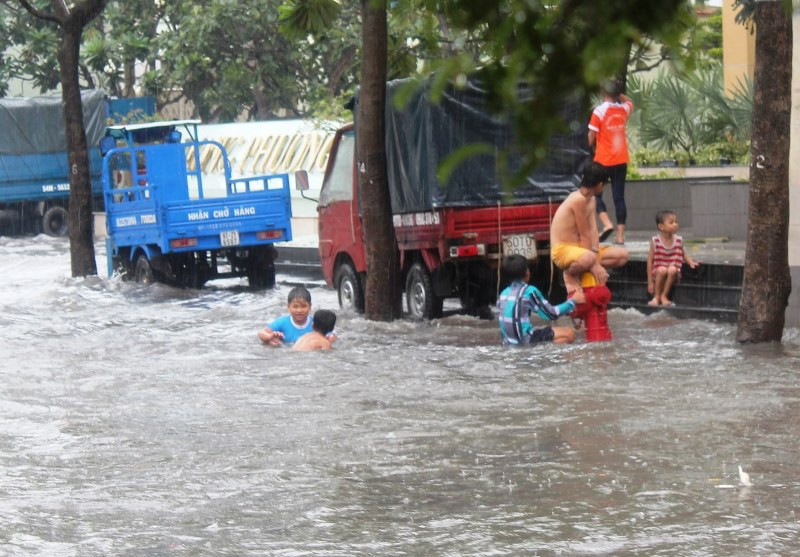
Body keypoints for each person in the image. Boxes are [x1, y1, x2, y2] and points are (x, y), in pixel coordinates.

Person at [550, 162, 629, 294]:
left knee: (622, 256)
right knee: (588, 258)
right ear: (600, 185)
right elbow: (585, 234)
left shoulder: (591, 199)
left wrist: (595, 253)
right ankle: (569, 274)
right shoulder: (577, 199)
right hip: (562, 249)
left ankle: (585, 267)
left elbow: (593, 231)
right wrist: (594, 263)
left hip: (581, 249)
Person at [497, 254, 586, 345]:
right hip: (525, 340)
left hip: (508, 342)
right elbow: (551, 314)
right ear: (527, 273)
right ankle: (540, 350)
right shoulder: (528, 291)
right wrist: (573, 301)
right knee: (568, 334)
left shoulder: (503, 294)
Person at [588, 80, 633, 245]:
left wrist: (588, 150)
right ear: (617, 95)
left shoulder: (599, 111)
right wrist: (618, 94)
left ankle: (607, 223)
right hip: (621, 160)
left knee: (596, 193)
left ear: (602, 93)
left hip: (603, 160)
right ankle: (620, 236)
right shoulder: (624, 109)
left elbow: (591, 136)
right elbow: (629, 102)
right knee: (619, 197)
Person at [647, 210, 699, 306]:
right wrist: (650, 282)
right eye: (671, 222)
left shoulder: (678, 240)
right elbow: (650, 261)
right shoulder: (655, 241)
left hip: (674, 272)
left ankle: (664, 295)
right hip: (659, 272)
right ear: (661, 226)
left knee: (672, 269)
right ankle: (657, 296)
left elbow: (683, 253)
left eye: (676, 222)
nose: (675, 224)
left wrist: (690, 262)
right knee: (662, 270)